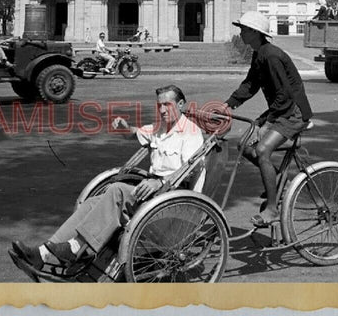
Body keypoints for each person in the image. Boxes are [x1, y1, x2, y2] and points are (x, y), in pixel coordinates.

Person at [11, 84, 204, 272]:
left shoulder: (191, 132)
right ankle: (43, 253)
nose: (162, 110)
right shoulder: (161, 127)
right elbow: (135, 134)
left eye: (167, 105)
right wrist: (124, 127)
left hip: (173, 197)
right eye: (159, 105)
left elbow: (191, 169)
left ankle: (77, 248)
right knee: (94, 202)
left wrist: (159, 182)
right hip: (151, 192)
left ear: (181, 105)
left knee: (117, 190)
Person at [224, 11, 312, 228]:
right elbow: (251, 84)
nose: (241, 33)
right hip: (282, 109)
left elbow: (285, 95)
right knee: (244, 146)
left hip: (293, 112)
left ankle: (272, 209)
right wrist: (228, 104)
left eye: (244, 29)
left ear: (255, 32)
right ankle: (280, 184)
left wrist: (265, 122)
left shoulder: (271, 55)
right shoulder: (259, 53)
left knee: (262, 150)